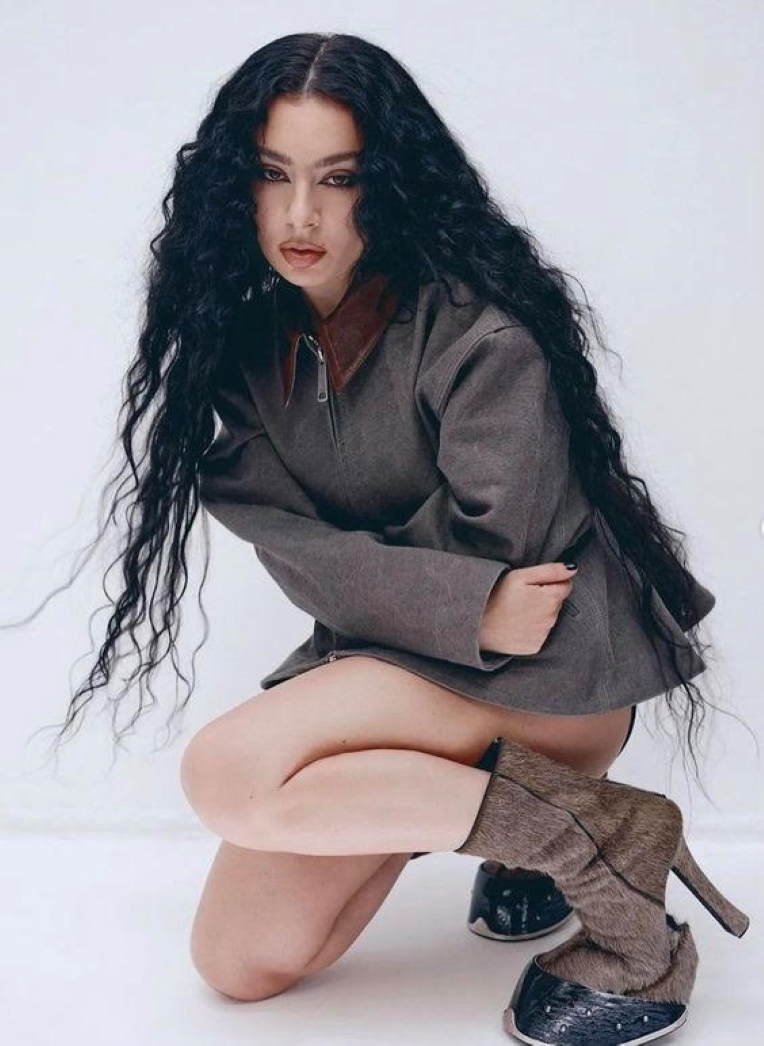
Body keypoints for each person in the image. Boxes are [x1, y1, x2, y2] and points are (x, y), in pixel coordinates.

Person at [12, 31, 748, 1045]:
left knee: (226, 771)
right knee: (239, 964)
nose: (300, 215)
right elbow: (287, 536)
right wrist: (453, 599)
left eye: (339, 178)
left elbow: (504, 556)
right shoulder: (245, 351)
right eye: (273, 175)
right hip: (418, 660)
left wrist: (401, 581)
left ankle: (600, 844)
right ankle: (535, 823)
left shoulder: (479, 332)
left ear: (389, 184)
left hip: (549, 676)